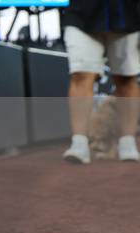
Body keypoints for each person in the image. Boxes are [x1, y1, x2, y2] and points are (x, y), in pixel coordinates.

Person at [62, 0, 140, 163]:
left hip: (128, 15)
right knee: (81, 75)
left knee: (126, 79)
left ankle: (128, 143)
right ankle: (79, 144)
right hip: (82, 15)